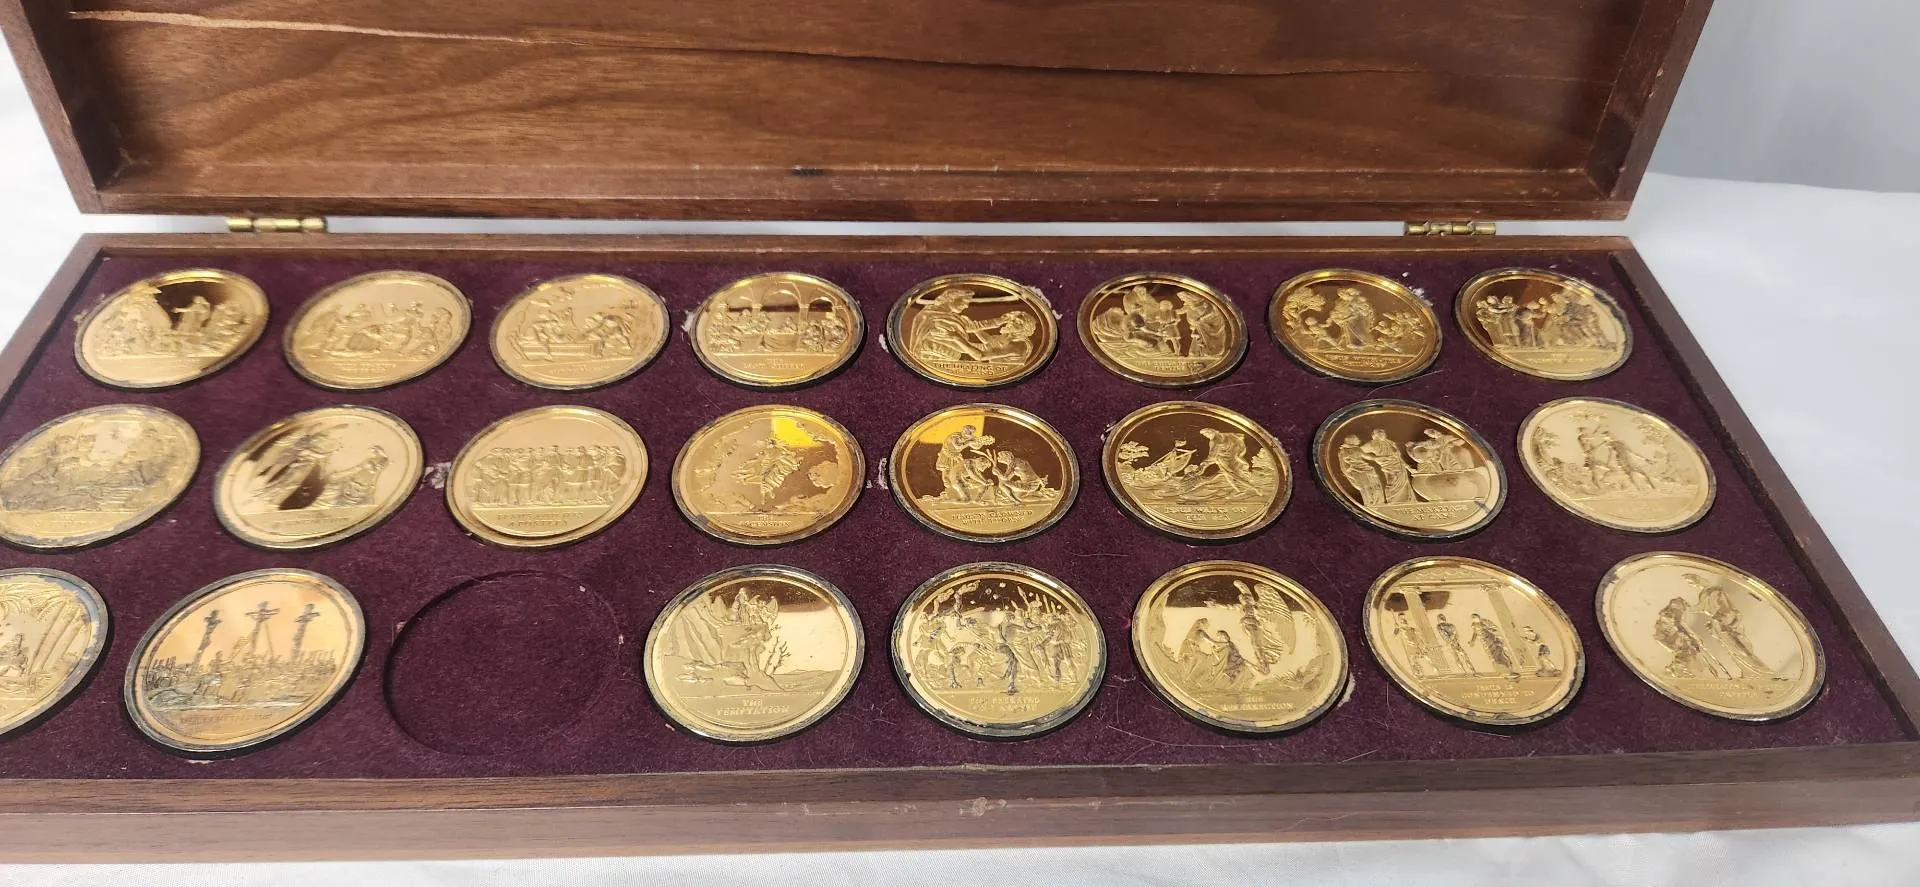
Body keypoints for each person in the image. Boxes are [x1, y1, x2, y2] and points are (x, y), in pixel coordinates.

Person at [1360, 429, 1414, 503]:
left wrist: (1408, 467)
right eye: (1379, 432)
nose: (1381, 433)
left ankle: (1405, 501)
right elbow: (1359, 452)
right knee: (1392, 483)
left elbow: (1398, 457)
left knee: (1404, 484)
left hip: (1400, 466)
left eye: (1382, 432)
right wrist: (1375, 458)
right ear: (1374, 435)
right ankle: (1393, 501)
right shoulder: (1373, 443)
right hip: (1388, 466)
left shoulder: (1390, 442)